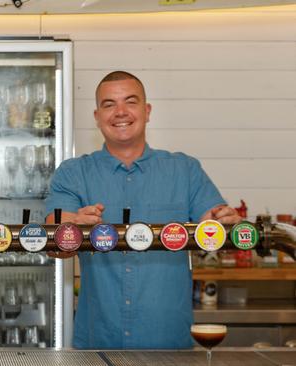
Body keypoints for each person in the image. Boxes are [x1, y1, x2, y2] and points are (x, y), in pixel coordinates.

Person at [45, 71, 241, 349]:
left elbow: (216, 231)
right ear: (97, 115)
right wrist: (73, 227)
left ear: (147, 111)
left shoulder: (185, 170)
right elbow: (53, 246)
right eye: (109, 104)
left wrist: (224, 224)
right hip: (98, 345)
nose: (120, 112)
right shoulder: (73, 173)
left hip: (169, 344)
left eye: (130, 101)